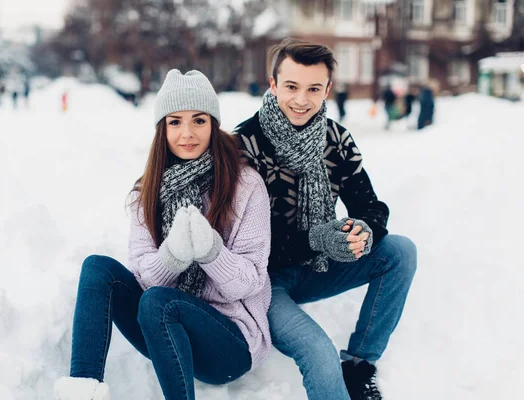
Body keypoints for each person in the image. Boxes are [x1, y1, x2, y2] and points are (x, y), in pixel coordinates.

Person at [53, 69, 273, 400]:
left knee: (159, 302)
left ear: (213, 124)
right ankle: (82, 390)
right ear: (162, 128)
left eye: (199, 120)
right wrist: (173, 256)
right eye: (175, 122)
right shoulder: (147, 192)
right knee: (98, 268)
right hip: (164, 332)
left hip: (230, 343)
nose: (187, 133)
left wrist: (212, 251)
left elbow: (250, 281)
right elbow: (143, 275)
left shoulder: (246, 186)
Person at [233, 38, 417, 400]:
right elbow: (241, 244)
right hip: (263, 282)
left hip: (318, 267)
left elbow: (370, 205)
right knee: (318, 352)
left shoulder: (337, 139)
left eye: (313, 88)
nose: (301, 100)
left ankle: (360, 363)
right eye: (291, 86)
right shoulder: (243, 146)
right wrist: (317, 239)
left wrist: (363, 229)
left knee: (400, 251)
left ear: (327, 90)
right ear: (273, 84)